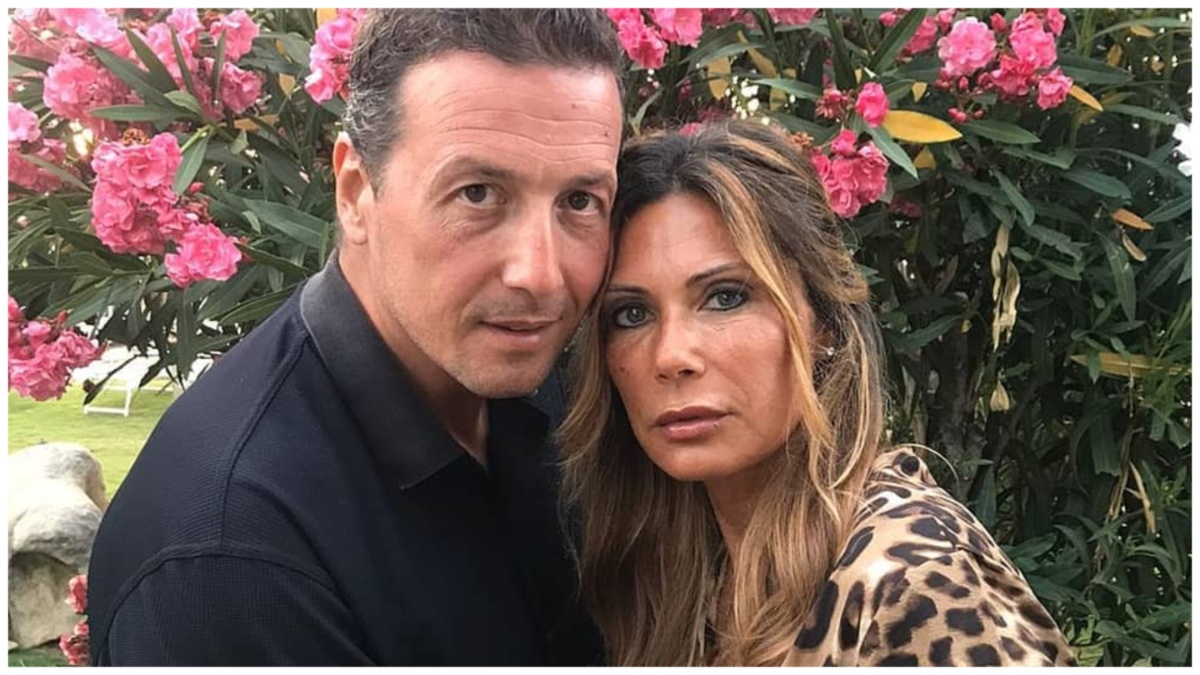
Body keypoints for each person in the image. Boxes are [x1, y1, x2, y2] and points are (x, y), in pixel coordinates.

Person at [86, 9, 624, 666]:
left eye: (579, 202)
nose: (540, 274)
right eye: (479, 194)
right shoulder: (230, 561)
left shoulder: (551, 396)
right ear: (355, 191)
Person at [558, 121, 1078, 667]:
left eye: (726, 297)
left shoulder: (912, 583)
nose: (670, 356)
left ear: (823, 322)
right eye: (631, 314)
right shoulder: (680, 572)